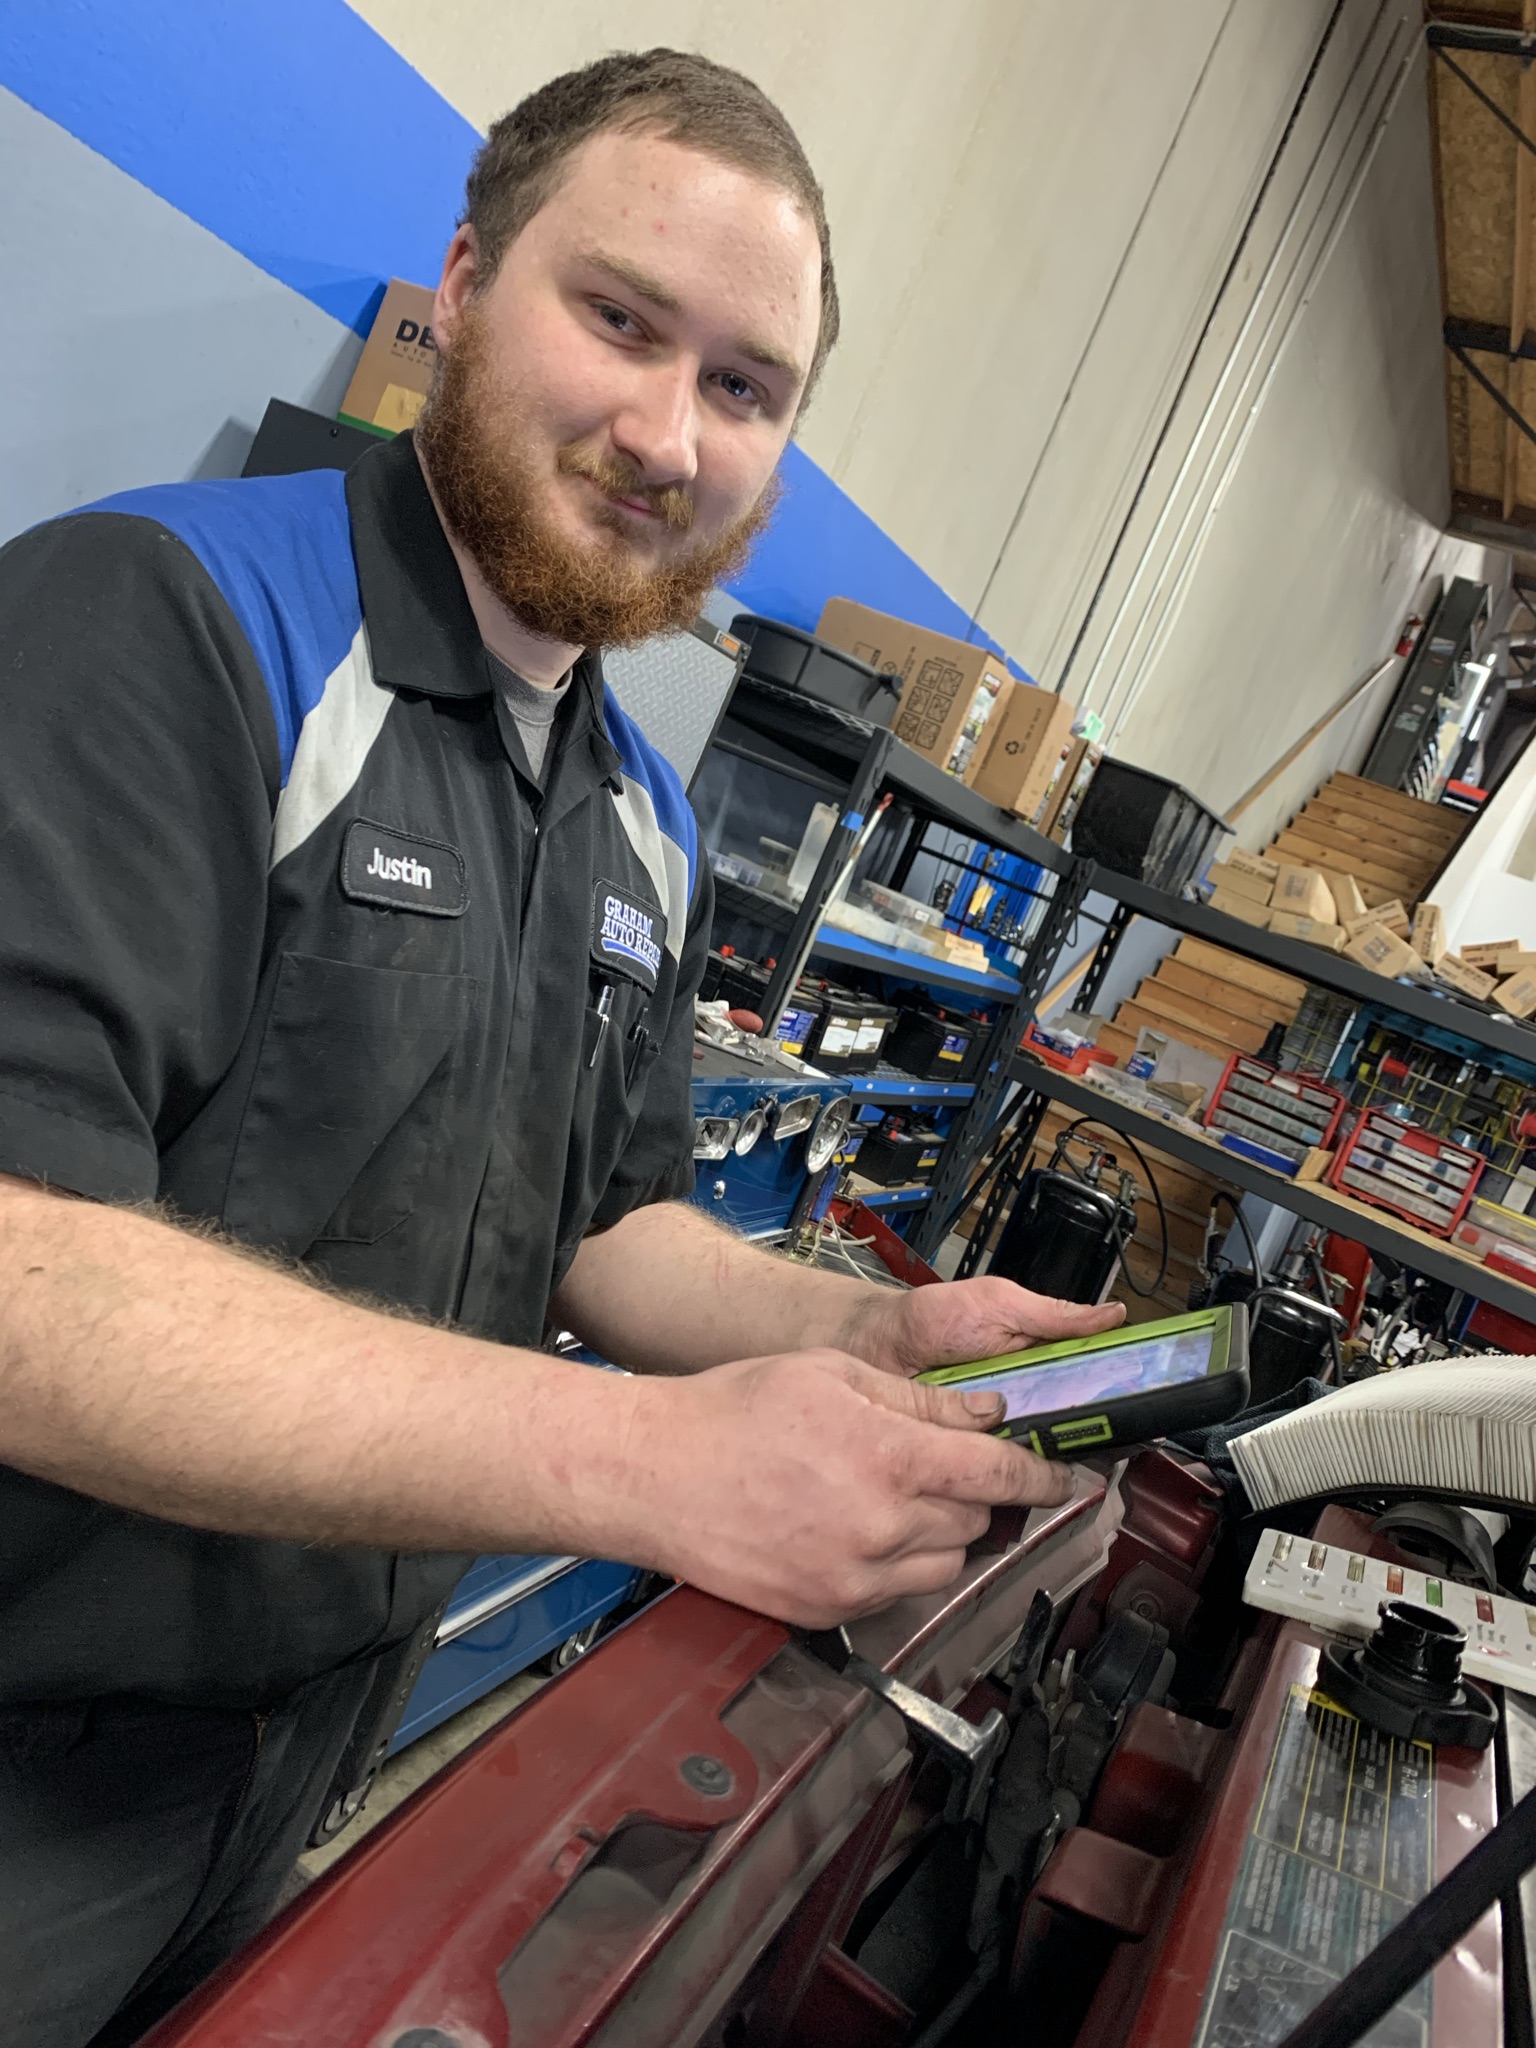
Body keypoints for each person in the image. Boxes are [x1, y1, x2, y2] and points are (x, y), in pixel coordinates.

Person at [0, 48, 1121, 2047]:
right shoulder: (165, 620)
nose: (666, 429)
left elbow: (604, 1221)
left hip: (284, 1763)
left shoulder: (639, 821)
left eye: (745, 385)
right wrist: (654, 1461)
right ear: (463, 280)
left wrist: (850, 1336)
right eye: (620, 320)